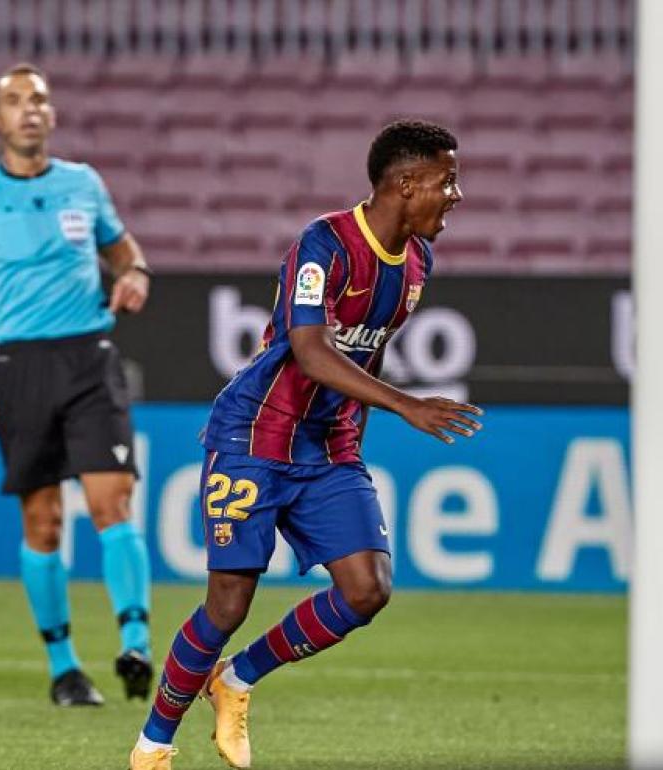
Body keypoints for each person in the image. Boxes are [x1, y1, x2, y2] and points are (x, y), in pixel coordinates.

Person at [128, 119, 482, 770]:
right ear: (406, 183)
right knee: (228, 601)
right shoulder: (324, 244)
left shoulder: (418, 264)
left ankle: (235, 680)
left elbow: (367, 353)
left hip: (327, 446)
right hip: (255, 433)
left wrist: (357, 438)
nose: (456, 194)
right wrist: (408, 405)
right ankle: (152, 747)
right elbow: (311, 350)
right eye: (447, 180)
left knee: (367, 589)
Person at [0, 63, 154, 706]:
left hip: (90, 356)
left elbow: (122, 250)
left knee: (111, 500)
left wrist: (136, 272)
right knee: (44, 521)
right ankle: (65, 668)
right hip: (22, 366)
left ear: (52, 115)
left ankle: (136, 643)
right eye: (13, 100)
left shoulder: (83, 184)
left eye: (38, 98)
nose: (29, 108)